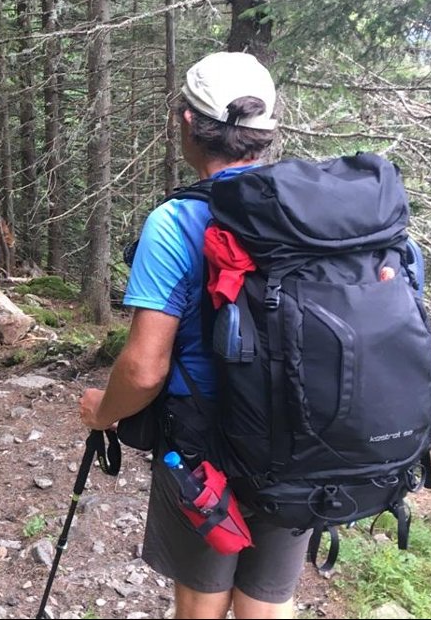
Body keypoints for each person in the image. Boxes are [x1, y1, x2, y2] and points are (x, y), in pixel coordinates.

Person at [78, 51, 307, 620]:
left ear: (187, 122)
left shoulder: (177, 222)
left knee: (202, 600)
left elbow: (144, 369)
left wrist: (103, 413)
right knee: (269, 601)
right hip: (303, 439)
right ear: (268, 132)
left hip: (205, 447)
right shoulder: (315, 212)